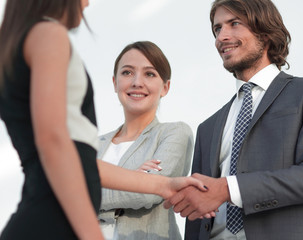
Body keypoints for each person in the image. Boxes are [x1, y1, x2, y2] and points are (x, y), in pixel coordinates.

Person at [0, 1, 206, 239]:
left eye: (149, 73)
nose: (87, 2)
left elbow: (80, 162)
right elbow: (54, 143)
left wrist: (162, 185)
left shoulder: (24, 40)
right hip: (52, 220)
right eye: (127, 72)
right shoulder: (49, 34)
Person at [164, 0, 303, 239]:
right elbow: (197, 212)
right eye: (217, 29)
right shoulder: (207, 128)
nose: (222, 37)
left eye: (234, 24)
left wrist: (228, 188)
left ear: (265, 32)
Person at [97, 41, 193, 240]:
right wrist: (135, 178)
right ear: (115, 83)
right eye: (127, 73)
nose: (137, 82)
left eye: (149, 74)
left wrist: (83, 192)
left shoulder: (173, 133)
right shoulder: (92, 145)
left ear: (165, 87)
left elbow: (146, 194)